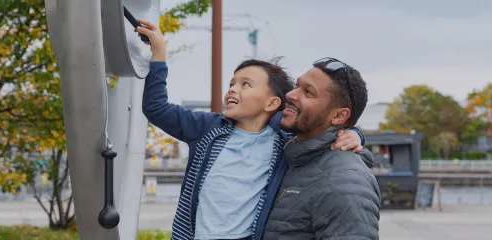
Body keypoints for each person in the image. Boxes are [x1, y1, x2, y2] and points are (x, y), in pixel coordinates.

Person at [136, 20, 366, 240]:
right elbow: (156, 108)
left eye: (245, 84)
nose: (233, 90)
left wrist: (355, 134)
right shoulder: (207, 128)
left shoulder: (282, 136)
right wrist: (158, 56)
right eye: (232, 84)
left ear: (272, 104)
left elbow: (322, 127)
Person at [259, 57, 381, 240]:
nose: (291, 95)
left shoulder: (345, 182)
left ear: (339, 116)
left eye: (308, 92)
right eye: (297, 86)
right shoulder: (292, 155)